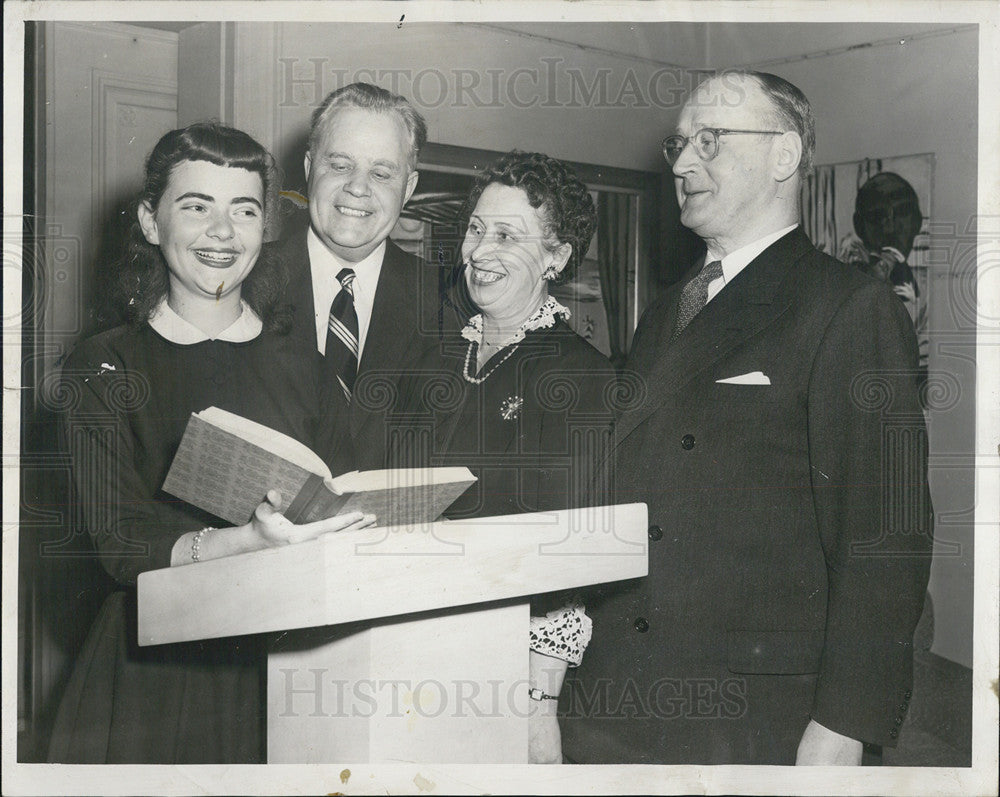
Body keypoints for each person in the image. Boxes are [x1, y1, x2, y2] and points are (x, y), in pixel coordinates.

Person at [560, 71, 933, 766]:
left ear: (783, 156)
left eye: (710, 141)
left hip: (755, 715)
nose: (680, 163)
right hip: (618, 697)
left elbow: (887, 535)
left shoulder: (847, 308)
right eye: (679, 143)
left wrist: (846, 725)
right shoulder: (667, 309)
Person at [47, 123, 374, 764]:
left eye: (244, 210)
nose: (222, 233)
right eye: (196, 207)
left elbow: (343, 502)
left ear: (266, 227)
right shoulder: (103, 366)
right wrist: (248, 542)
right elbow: (119, 544)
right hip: (155, 679)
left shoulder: (309, 367)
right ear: (149, 221)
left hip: (285, 670)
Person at [386, 151, 617, 764]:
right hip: (402, 651)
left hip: (508, 679)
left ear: (557, 258)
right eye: (475, 229)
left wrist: (539, 704)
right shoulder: (431, 361)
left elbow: (569, 559)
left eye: (508, 236)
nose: (479, 252)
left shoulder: (582, 379)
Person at [280, 82, 461, 475]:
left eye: (381, 173)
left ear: (408, 188)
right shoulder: (245, 282)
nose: (358, 188)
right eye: (340, 165)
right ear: (310, 169)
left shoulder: (447, 305)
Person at [839, 172, 929, 380]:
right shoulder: (839, 284)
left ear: (917, 221)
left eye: (902, 212)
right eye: (877, 216)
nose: (889, 228)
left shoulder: (935, 289)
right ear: (858, 225)